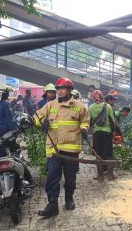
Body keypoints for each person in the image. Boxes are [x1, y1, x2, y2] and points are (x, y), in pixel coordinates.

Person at [35, 78, 89, 218]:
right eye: (58, 88)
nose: (60, 91)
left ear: (70, 90)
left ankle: (69, 198)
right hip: (54, 150)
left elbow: (85, 121)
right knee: (52, 178)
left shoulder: (80, 106)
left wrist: (84, 129)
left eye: (63, 88)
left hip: (71, 151)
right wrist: (42, 121)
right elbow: (37, 115)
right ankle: (52, 205)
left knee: (70, 178)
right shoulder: (50, 105)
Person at [88, 90, 117, 181]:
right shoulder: (108, 106)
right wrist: (113, 132)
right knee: (108, 153)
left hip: (96, 133)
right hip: (107, 133)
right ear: (102, 96)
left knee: (98, 154)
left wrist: (92, 130)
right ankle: (110, 174)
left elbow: (89, 122)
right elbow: (112, 121)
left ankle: (100, 176)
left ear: (93, 97)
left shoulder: (91, 107)